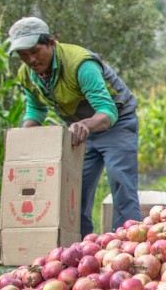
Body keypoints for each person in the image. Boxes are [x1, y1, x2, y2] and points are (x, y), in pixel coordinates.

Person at [8, 17, 142, 236]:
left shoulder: (80, 64)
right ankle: (79, 250)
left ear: (51, 42)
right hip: (80, 132)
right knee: (74, 192)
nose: (31, 60)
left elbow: (107, 112)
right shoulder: (28, 75)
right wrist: (24, 139)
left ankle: (130, 247)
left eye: (35, 51)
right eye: (23, 55)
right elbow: (36, 110)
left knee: (121, 183)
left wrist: (84, 126)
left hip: (116, 124)